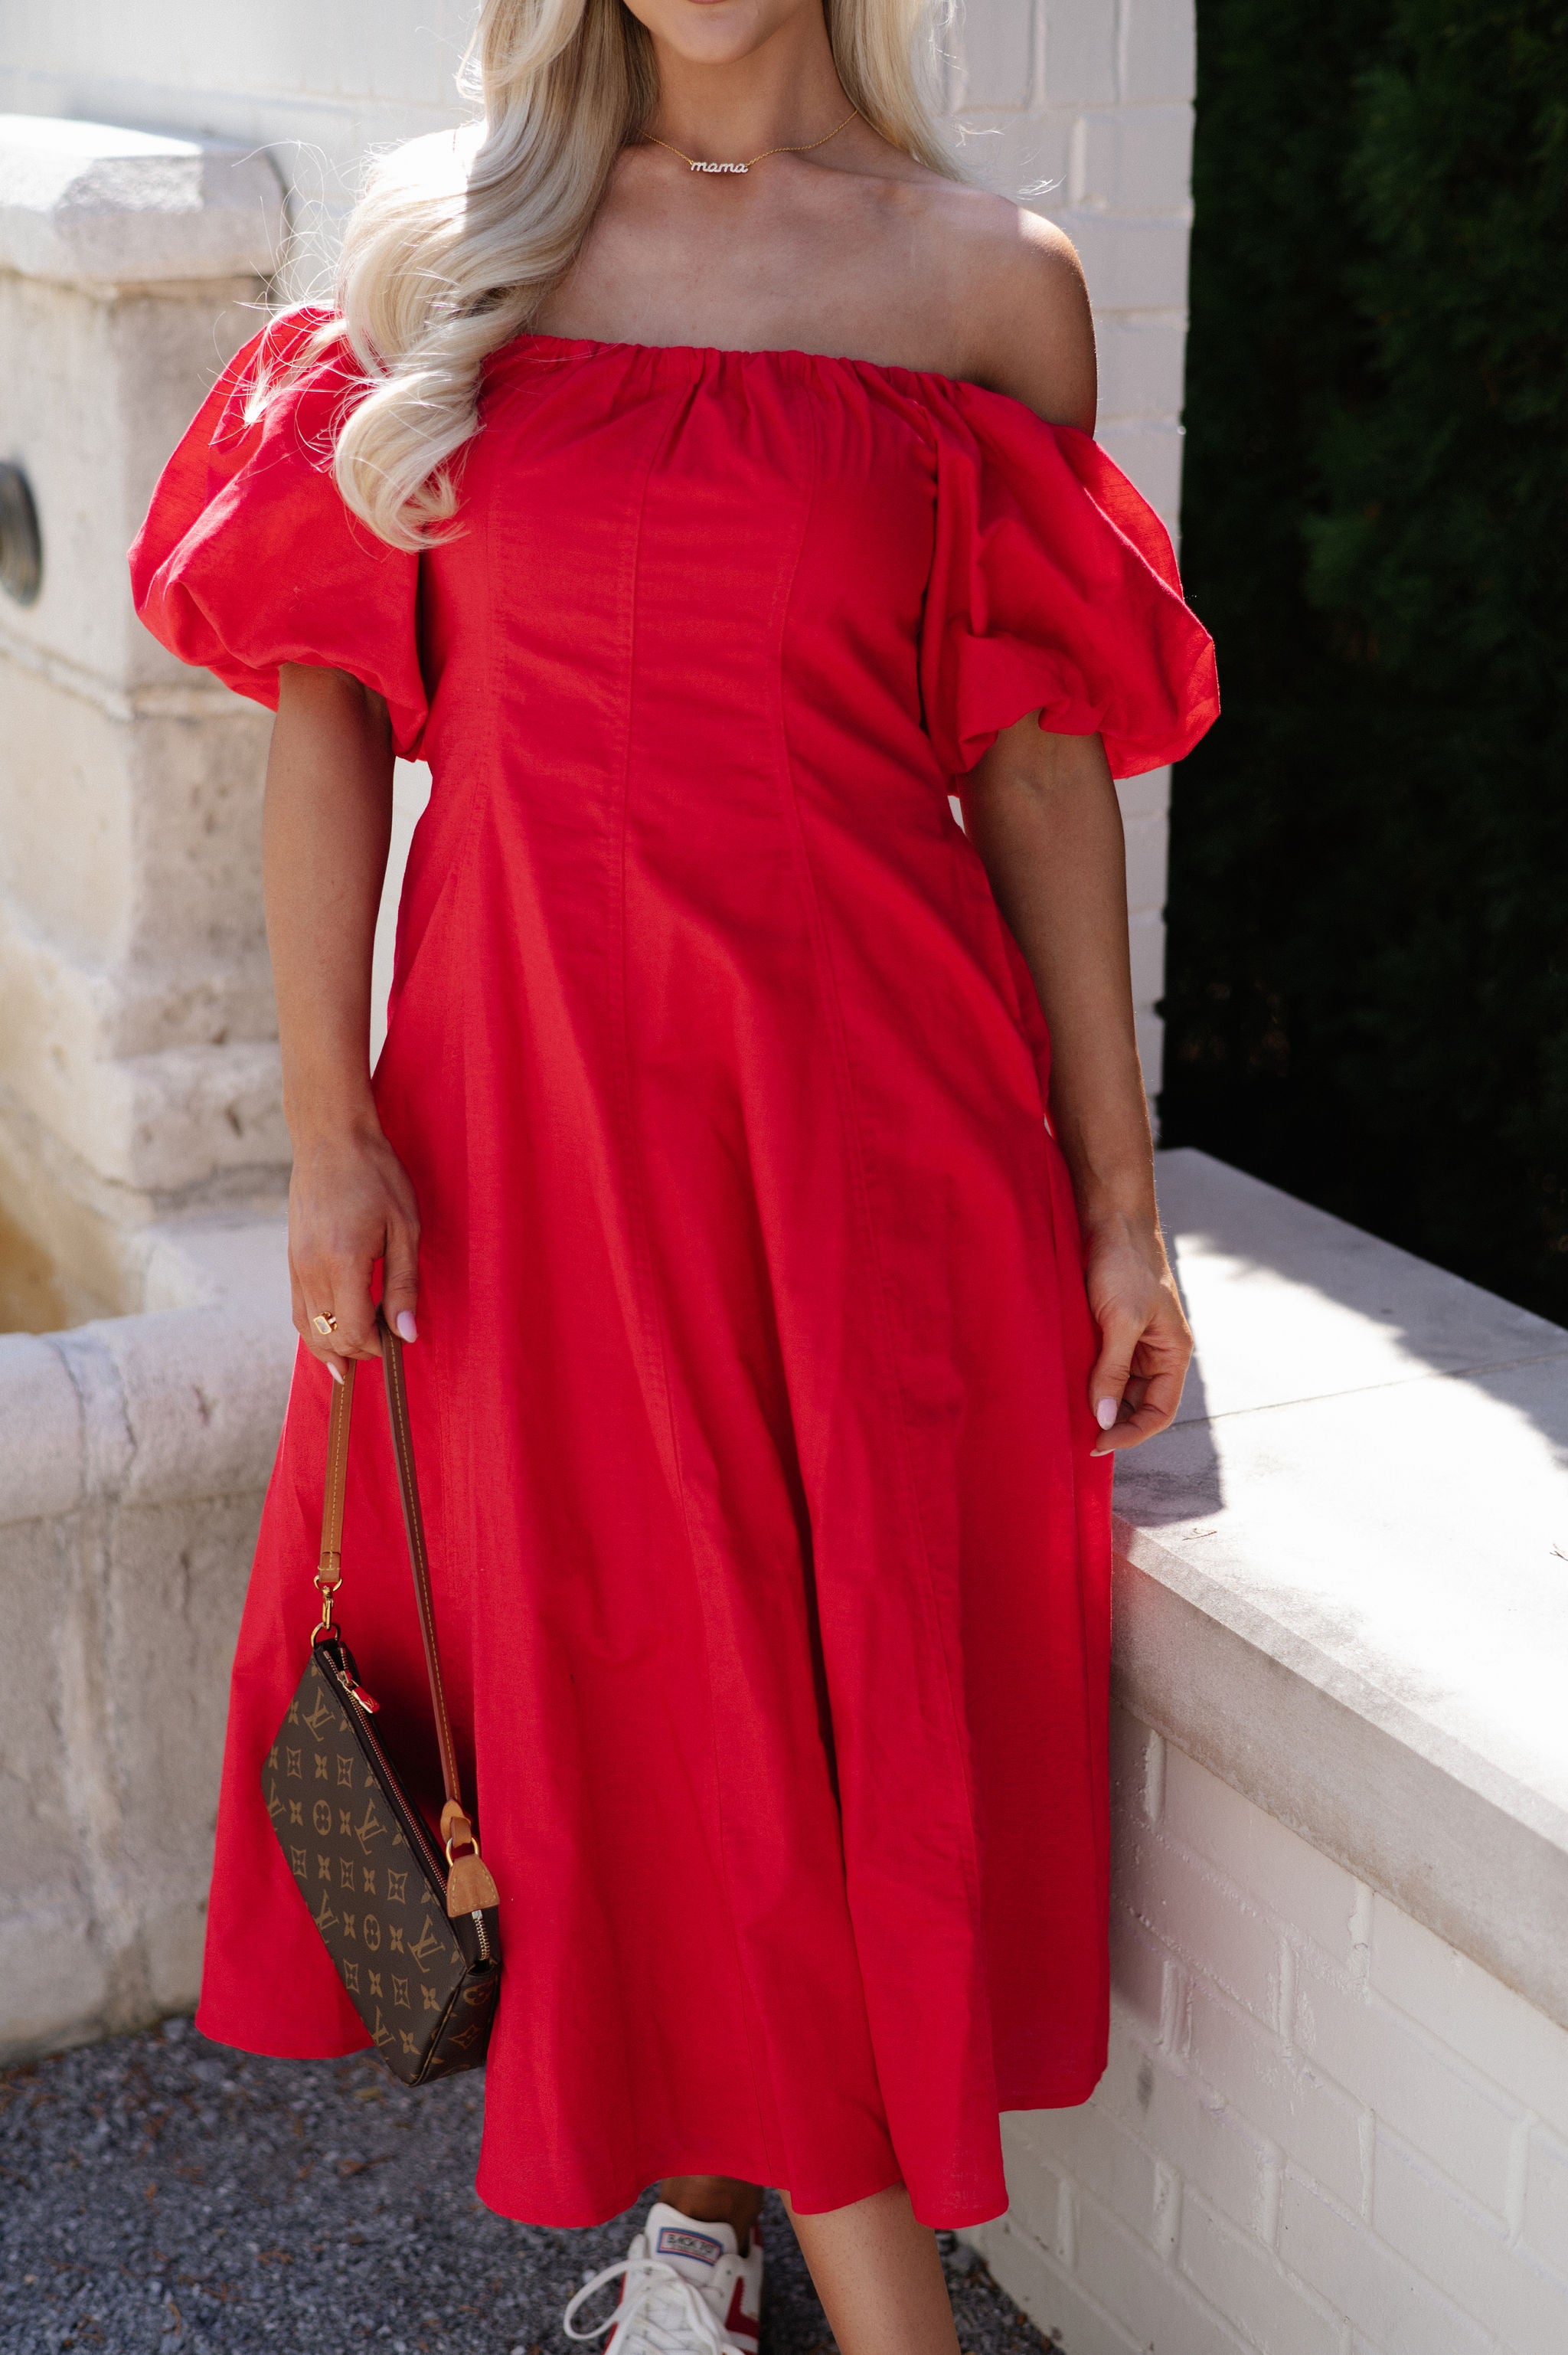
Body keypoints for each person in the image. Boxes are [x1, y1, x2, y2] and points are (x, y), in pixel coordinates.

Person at [130, 1, 1217, 2348]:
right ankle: (793, 2272)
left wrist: (1122, 1204)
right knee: (661, 1680)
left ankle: (722, 2245)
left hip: (879, 1124)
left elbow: (1041, 770)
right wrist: (329, 1134)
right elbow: (328, 714)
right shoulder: (442, 253)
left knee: (802, 1686)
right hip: (524, 1124)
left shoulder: (989, 283)